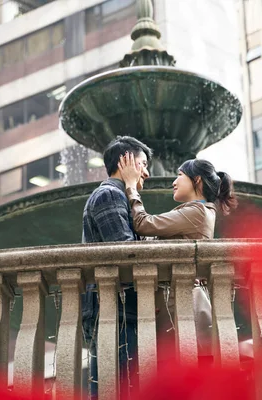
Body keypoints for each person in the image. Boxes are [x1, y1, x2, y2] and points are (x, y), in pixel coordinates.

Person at [117, 154, 238, 360]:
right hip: (177, 307)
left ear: (196, 180)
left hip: (182, 309)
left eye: (179, 175)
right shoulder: (196, 211)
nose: (174, 182)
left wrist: (131, 188)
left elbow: (144, 224)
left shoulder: (198, 212)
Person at [81, 136, 152, 398]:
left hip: (118, 311)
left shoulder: (114, 195)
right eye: (142, 164)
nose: (146, 172)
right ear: (126, 162)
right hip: (117, 312)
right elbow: (126, 252)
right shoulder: (109, 194)